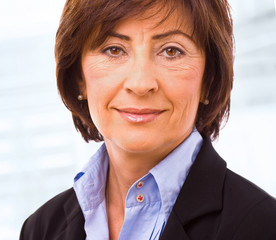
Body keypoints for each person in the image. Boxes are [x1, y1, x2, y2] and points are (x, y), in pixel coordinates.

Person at [19, 0, 276, 239]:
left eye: (171, 51)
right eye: (114, 49)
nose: (140, 84)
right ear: (79, 78)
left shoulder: (262, 225)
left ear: (208, 80)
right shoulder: (41, 228)